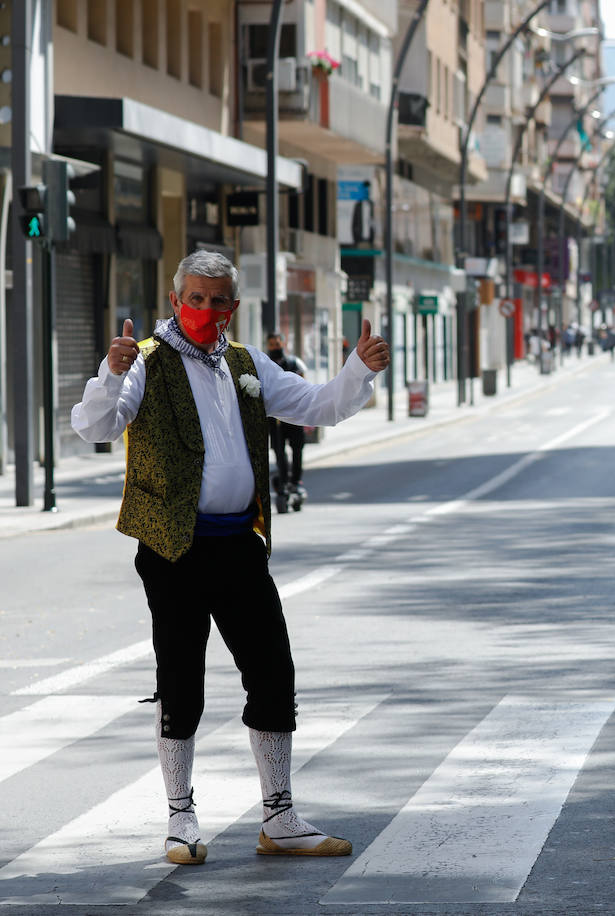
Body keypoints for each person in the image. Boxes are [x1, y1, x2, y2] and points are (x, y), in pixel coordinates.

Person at [70, 251, 391, 866]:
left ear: (234, 308)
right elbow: (98, 426)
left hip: (242, 545)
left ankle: (279, 816)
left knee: (273, 672)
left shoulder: (243, 362)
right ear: (175, 301)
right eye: (196, 298)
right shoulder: (146, 362)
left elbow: (315, 406)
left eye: (219, 301)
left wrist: (356, 370)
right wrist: (110, 373)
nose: (207, 310)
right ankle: (181, 818)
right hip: (174, 547)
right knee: (181, 679)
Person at [265, 334, 308, 512]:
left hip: (294, 416)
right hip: (275, 420)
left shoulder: (294, 363)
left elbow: (303, 385)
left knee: (297, 449)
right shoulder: (265, 365)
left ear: (283, 343)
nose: (275, 347)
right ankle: (282, 481)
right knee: (279, 452)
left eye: (277, 343)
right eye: (271, 344)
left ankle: (295, 481)